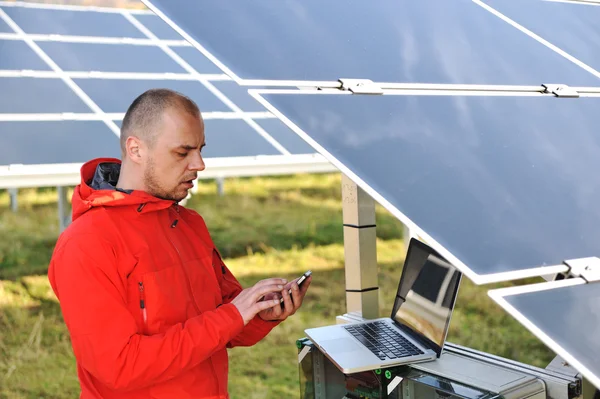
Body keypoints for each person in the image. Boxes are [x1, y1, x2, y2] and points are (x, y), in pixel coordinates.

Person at [47, 88, 312, 399]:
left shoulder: (189, 224)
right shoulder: (86, 244)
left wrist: (260, 313)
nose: (199, 164)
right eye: (183, 152)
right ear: (135, 149)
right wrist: (234, 314)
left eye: (200, 149)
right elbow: (120, 367)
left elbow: (222, 322)